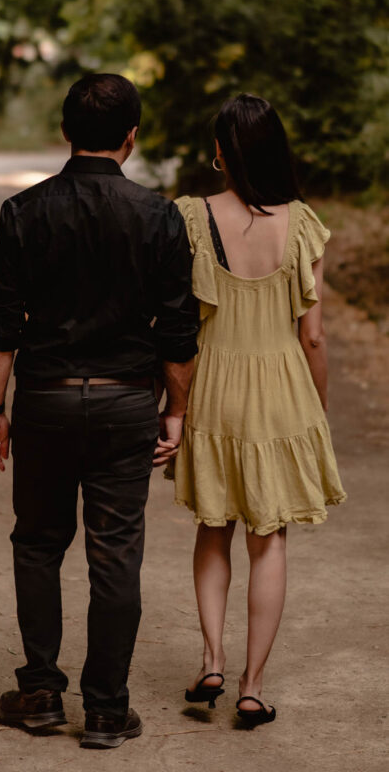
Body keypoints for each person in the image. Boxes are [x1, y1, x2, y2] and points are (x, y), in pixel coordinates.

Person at [0, 73, 199, 749]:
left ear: (65, 132)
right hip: (126, 402)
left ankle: (41, 695)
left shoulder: (23, 211)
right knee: (116, 556)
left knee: (38, 544)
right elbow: (178, 332)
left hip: (44, 401)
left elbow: (2, 322)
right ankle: (105, 710)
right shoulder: (159, 216)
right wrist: (175, 412)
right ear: (132, 137)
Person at [161, 93, 346, 724]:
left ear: (220, 151)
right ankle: (251, 685)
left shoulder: (190, 217)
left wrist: (170, 400)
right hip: (281, 391)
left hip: (213, 387)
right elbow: (313, 336)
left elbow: (176, 318)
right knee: (269, 539)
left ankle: (211, 660)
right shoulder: (302, 224)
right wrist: (318, 411)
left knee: (213, 528)